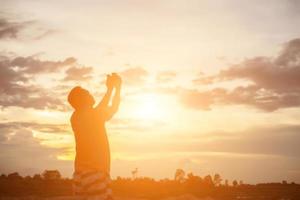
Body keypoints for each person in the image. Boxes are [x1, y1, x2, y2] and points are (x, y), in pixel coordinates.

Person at [67, 73, 122, 200]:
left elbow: (106, 108)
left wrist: (113, 88)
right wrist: (114, 88)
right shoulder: (92, 115)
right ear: (84, 99)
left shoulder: (75, 117)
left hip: (79, 175)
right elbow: (111, 107)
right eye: (88, 93)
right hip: (95, 172)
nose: (91, 95)